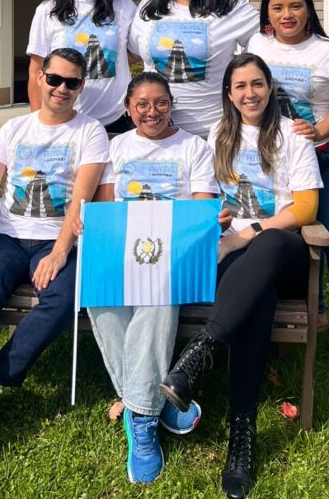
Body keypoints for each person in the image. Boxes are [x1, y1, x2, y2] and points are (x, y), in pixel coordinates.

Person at [0, 48, 109, 495]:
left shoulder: (90, 131)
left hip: (56, 237)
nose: (61, 89)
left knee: (64, 296)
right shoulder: (14, 127)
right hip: (8, 234)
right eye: (54, 78)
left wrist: (58, 251)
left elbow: (82, 201)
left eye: (72, 82)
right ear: (40, 78)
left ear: (81, 88)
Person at [159, 54, 322, 499]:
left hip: (285, 250)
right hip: (239, 261)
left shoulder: (292, 135)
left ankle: (200, 351)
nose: (249, 93)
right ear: (228, 94)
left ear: (270, 87)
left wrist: (243, 233)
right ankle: (242, 434)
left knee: (264, 248)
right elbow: (210, 197)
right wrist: (219, 218)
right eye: (239, 86)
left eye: (257, 84)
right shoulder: (219, 134)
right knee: (256, 300)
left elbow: (306, 209)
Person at [88, 72, 222, 484]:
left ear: (171, 104)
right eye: (142, 104)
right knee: (102, 298)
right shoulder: (115, 147)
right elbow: (107, 210)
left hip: (171, 253)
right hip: (122, 251)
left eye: (161, 102)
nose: (152, 111)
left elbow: (200, 209)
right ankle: (154, 405)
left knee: (159, 298)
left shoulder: (194, 148)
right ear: (128, 109)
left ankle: (140, 422)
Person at [247, 0, 329, 364]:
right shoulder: (257, 44)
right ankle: (319, 310)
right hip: (283, 161)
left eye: (295, 6)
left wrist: (318, 131)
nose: (287, 14)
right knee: (302, 239)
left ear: (308, 9)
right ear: (267, 14)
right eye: (278, 7)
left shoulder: (328, 53)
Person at [129, 0, 259, 136]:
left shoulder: (230, 5)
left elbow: (273, 37)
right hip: (157, 131)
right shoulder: (149, 6)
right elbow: (132, 54)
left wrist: (317, 40)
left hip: (215, 131)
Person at [27, 0, 137, 132]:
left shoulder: (123, 5)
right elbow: (36, 68)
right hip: (63, 119)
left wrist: (114, 59)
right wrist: (37, 121)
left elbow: (138, 51)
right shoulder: (47, 11)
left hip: (117, 118)